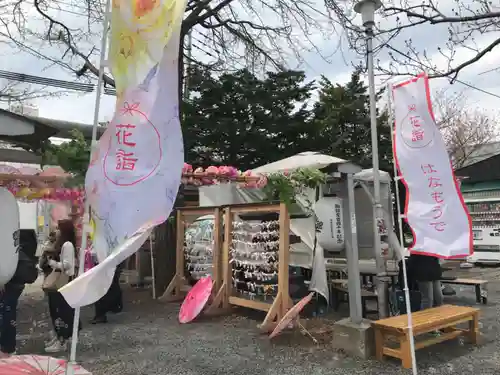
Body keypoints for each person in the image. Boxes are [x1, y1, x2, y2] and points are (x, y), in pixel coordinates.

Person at [44, 220, 80, 353]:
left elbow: (68, 265)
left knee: (60, 311)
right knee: (59, 310)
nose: (56, 231)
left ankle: (62, 340)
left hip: (63, 282)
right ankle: (61, 337)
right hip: (63, 282)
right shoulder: (64, 243)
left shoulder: (67, 245)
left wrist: (53, 264)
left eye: (58, 229)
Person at [0, 231, 39, 357]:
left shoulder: (11, 248)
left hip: (9, 283)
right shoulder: (23, 244)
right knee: (8, 313)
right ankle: (8, 347)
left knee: (6, 314)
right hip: (16, 283)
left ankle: (7, 348)